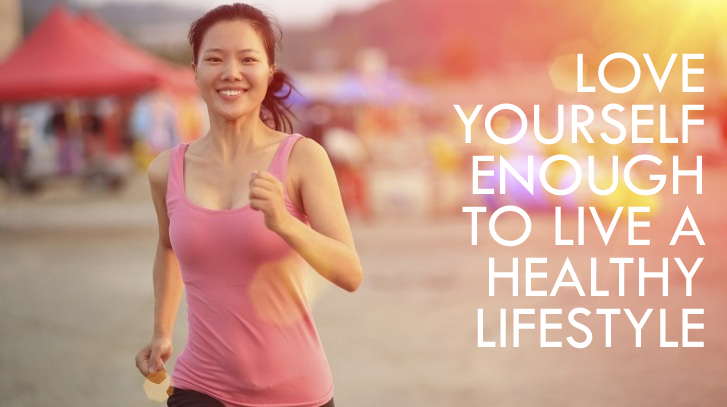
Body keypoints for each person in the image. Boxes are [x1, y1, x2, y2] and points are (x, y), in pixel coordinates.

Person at [133, 4, 363, 407]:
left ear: (269, 70)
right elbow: (168, 247)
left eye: (248, 59)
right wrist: (162, 331)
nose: (231, 72)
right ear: (196, 70)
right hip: (200, 388)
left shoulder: (302, 158)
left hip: (297, 394)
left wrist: (286, 224)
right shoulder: (165, 170)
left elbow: (350, 273)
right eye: (215, 59)